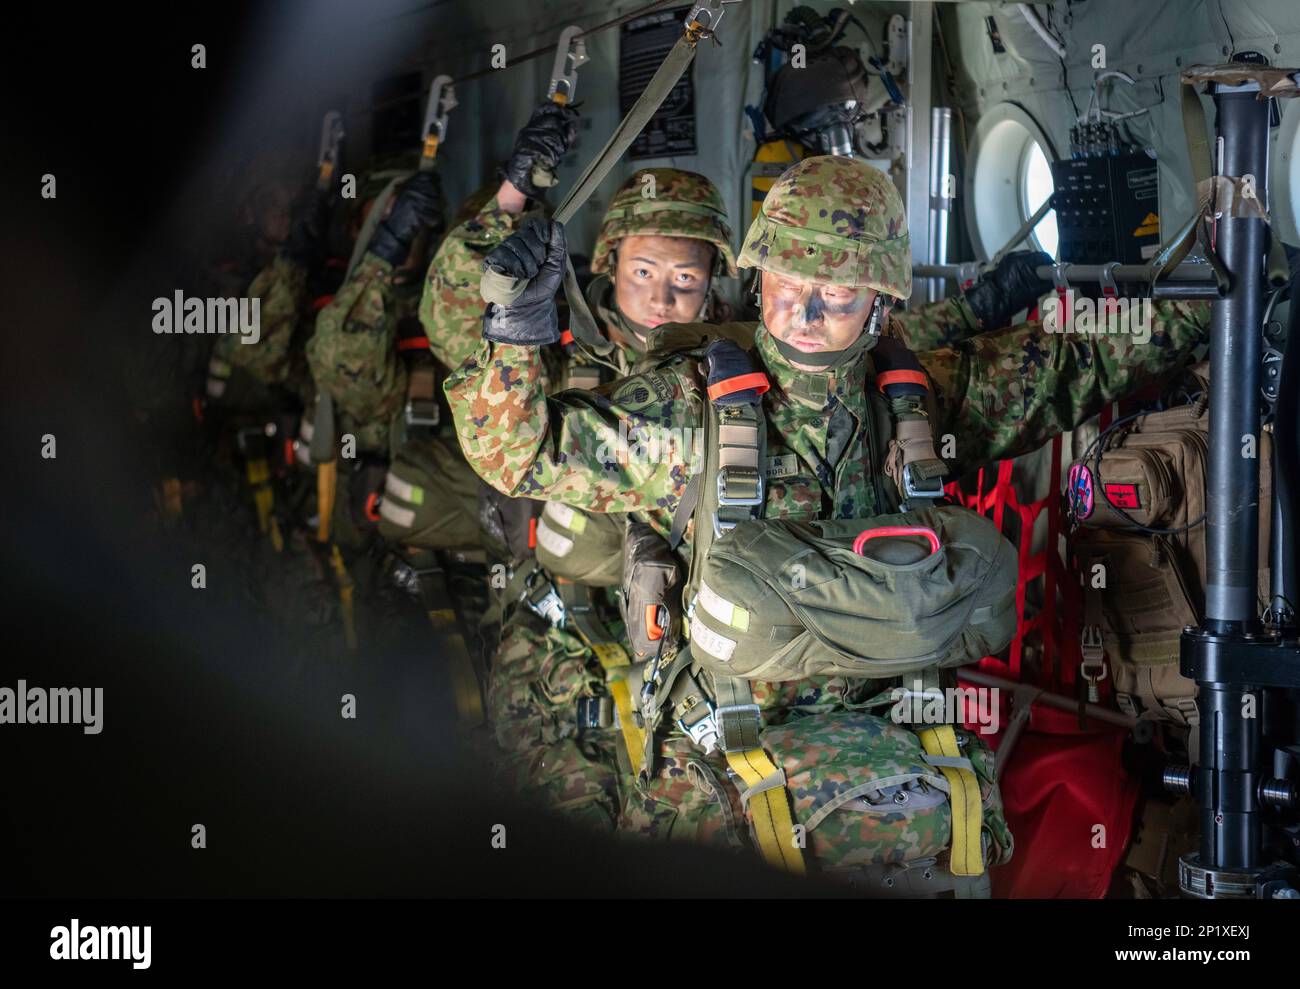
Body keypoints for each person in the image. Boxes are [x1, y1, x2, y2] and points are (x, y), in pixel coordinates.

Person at [444, 155, 1212, 881]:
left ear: (879, 304)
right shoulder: (685, 409)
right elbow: (522, 453)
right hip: (727, 741)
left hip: (900, 723)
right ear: (756, 280)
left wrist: (1215, 302)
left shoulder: (912, 397)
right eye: (785, 286)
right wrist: (513, 332)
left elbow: (1069, 364)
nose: (805, 313)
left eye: (837, 295)